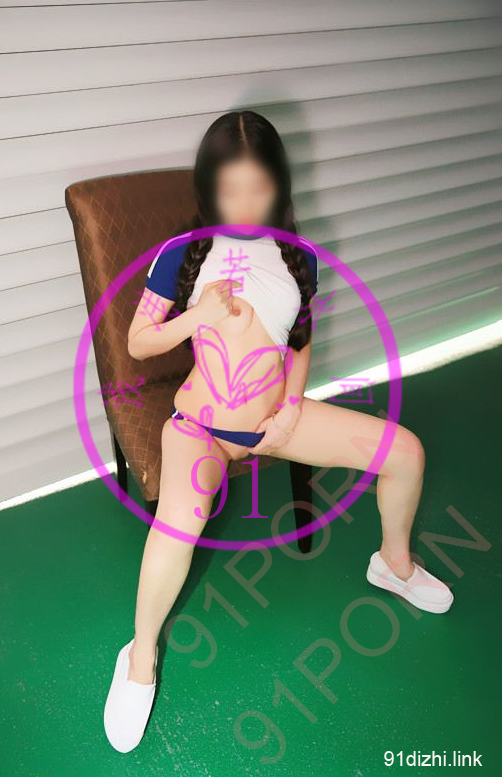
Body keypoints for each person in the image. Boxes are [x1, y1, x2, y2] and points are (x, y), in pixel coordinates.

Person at [104, 110, 453, 753]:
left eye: (258, 188)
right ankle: (140, 655)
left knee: (405, 452)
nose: (244, 203)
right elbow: (137, 341)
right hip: (200, 427)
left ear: (279, 185)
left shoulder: (299, 256)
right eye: (230, 189)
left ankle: (393, 564)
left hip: (276, 423)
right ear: (209, 187)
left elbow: (300, 340)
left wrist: (291, 407)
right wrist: (198, 316)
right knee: (180, 519)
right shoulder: (182, 253)